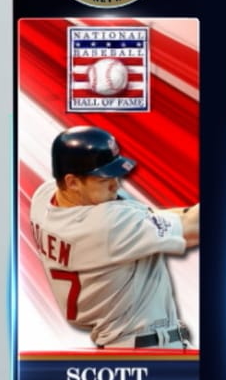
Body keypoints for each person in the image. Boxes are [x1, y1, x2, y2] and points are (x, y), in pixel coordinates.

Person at [28, 125, 198, 349]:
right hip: (148, 350)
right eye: (103, 178)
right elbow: (193, 227)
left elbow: (148, 218)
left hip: (120, 345)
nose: (115, 183)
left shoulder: (43, 199)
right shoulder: (106, 224)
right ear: (72, 182)